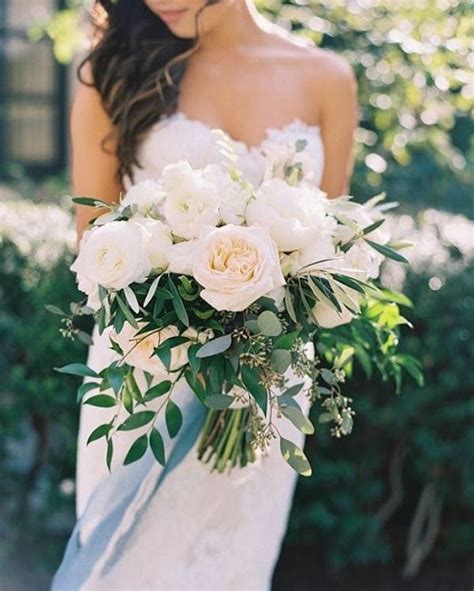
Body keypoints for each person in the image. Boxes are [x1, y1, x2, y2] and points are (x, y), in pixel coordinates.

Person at [52, 1, 358, 589]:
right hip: (144, 377)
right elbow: (94, 241)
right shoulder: (114, 74)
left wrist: (264, 311)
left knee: (235, 564)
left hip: (265, 382)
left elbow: (328, 245)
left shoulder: (327, 79)